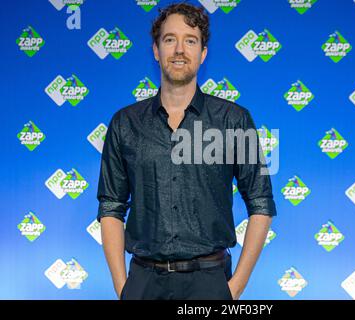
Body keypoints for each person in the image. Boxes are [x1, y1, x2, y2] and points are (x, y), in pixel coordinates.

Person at [96, 2, 277, 300]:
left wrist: (234, 288)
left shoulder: (233, 120)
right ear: (156, 50)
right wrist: (123, 288)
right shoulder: (125, 123)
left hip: (210, 282)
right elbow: (111, 206)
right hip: (143, 283)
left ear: (203, 53)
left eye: (190, 40)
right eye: (170, 39)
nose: (179, 49)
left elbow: (260, 202)